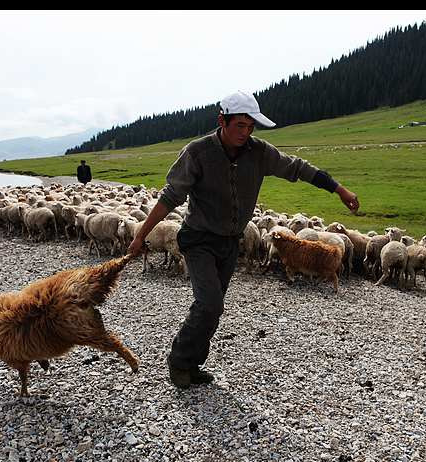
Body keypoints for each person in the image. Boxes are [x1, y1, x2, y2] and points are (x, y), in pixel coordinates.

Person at [128, 90, 360, 388]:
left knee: (211, 306)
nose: (246, 133)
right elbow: (171, 195)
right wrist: (141, 235)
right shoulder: (198, 153)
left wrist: (338, 189)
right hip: (198, 240)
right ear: (222, 121)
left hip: (229, 243)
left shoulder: (259, 153)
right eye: (240, 125)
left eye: (251, 127)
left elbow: (297, 167)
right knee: (210, 304)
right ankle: (179, 361)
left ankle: (194, 364)